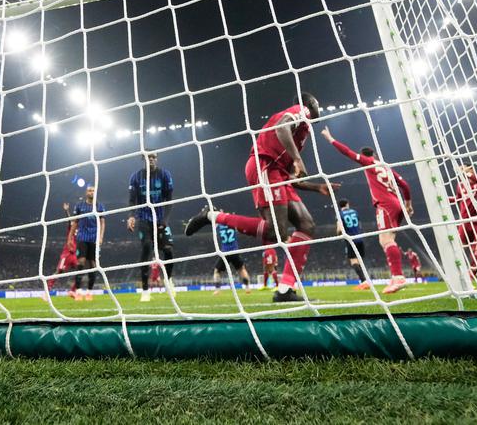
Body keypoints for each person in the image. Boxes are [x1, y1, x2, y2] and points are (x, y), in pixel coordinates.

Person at [185, 93, 337, 303]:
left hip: (277, 173)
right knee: (276, 231)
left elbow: (291, 179)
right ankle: (211, 216)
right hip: (264, 165)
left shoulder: (303, 131)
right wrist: (298, 160)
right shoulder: (300, 111)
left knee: (307, 224)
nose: (320, 107)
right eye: (318, 103)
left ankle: (284, 290)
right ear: (310, 103)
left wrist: (316, 187)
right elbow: (281, 128)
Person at [320, 126, 413, 295]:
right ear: (375, 155)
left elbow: (347, 152)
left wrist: (330, 138)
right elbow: (405, 185)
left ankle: (398, 277)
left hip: (385, 205)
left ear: (365, 156)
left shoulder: (368, 163)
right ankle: (395, 276)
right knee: (387, 239)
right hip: (397, 203)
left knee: (385, 241)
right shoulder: (386, 167)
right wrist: (408, 204)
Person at [126, 152, 175, 302]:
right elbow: (131, 200)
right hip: (144, 218)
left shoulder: (165, 175)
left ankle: (168, 280)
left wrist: (165, 220)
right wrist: (131, 216)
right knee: (147, 247)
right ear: (143, 160)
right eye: (148, 157)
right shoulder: (135, 177)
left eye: (154, 157)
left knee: (168, 250)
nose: (151, 159)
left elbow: (169, 199)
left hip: (160, 219)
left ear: (157, 159)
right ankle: (145, 291)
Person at [451, 164, 477, 278]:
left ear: (471, 168)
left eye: (463, 168)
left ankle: (472, 275)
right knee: (457, 249)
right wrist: (448, 200)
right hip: (465, 223)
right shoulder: (460, 185)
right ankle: (457, 274)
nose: (460, 172)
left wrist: (467, 173)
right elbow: (458, 198)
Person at [70, 185, 105, 300]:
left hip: (94, 238)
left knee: (93, 265)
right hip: (82, 237)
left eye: (94, 190)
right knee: (81, 261)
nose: (91, 192)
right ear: (86, 193)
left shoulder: (99, 206)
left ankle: (89, 292)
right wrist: (70, 237)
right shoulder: (79, 206)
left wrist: (100, 237)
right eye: (90, 190)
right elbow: (75, 222)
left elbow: (102, 223)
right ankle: (78, 291)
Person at [335, 199, 370, 290]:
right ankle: (366, 281)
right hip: (360, 238)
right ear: (347, 204)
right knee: (360, 261)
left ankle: (364, 281)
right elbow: (359, 224)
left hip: (351, 240)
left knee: (354, 261)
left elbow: (339, 229)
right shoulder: (354, 212)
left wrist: (339, 234)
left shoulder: (340, 214)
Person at [211, 222, 252, 294]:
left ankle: (217, 290)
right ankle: (247, 287)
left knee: (217, 271)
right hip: (234, 251)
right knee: (242, 269)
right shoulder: (233, 224)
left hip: (224, 252)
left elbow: (215, 223)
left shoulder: (219, 226)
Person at [47, 202, 78, 294]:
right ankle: (47, 289)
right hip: (67, 253)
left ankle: (72, 291)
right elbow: (69, 220)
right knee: (59, 271)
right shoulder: (71, 227)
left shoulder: (81, 230)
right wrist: (67, 211)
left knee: (83, 271)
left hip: (75, 254)